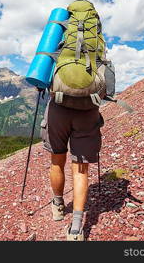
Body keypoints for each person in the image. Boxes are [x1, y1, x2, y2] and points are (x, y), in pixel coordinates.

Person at [40, 92, 104, 241]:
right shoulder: (98, 65)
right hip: (88, 112)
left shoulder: (56, 65)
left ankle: (58, 206)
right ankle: (76, 229)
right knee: (81, 169)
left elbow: (40, 81)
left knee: (57, 161)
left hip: (58, 110)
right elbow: (107, 89)